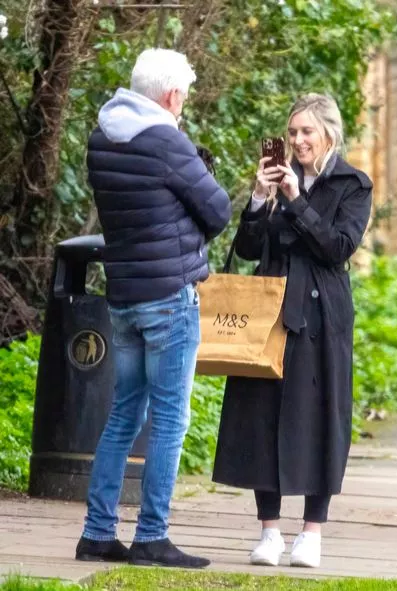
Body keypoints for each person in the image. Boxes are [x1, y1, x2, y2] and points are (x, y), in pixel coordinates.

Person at [75, 48, 231, 569]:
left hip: (123, 296)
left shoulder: (103, 135)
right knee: (169, 420)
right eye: (183, 96)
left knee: (123, 414)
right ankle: (151, 536)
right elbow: (218, 211)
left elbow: (141, 211)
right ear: (170, 95)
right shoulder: (166, 139)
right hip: (169, 297)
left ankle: (97, 532)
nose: (183, 104)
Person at [212, 93, 373, 568]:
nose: (297, 141)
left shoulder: (352, 184)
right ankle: (269, 531)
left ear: (329, 133)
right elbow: (245, 249)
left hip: (321, 319)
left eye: (306, 132)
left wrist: (296, 201)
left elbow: (336, 248)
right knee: (263, 415)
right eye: (292, 132)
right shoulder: (276, 183)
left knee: (319, 416)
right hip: (269, 313)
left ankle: (312, 532)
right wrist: (259, 199)